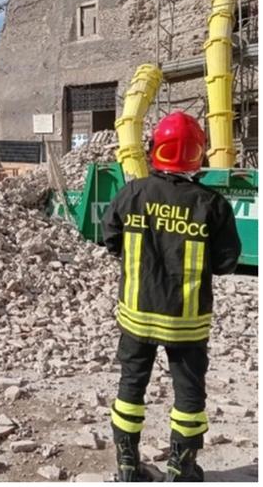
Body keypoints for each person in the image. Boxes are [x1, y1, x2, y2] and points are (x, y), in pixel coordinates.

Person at [101, 111, 241, 482]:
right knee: (189, 394)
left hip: (136, 315)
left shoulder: (134, 192)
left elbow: (110, 238)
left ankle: (128, 467)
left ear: (155, 150)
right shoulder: (211, 204)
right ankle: (182, 468)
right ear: (199, 154)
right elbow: (227, 263)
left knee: (131, 385)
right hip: (187, 321)